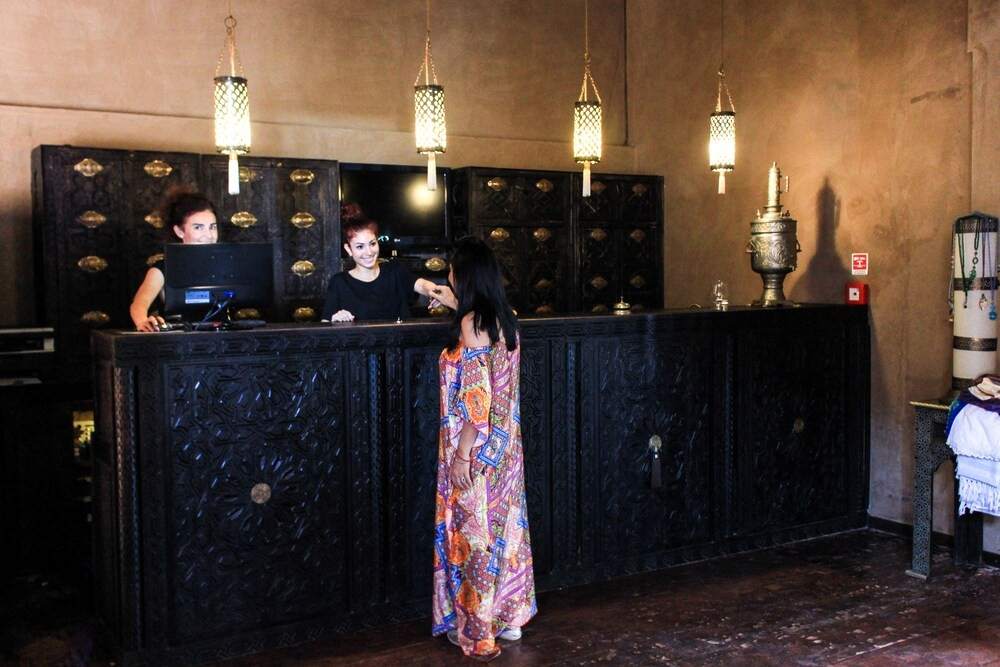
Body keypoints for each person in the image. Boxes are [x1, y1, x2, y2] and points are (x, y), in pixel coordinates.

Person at [429, 236, 536, 662]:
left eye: (452, 270)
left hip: (474, 450)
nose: (448, 275)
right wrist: (447, 300)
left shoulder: (472, 324)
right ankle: (508, 619)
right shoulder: (504, 318)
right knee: (504, 533)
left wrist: (461, 456)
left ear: (465, 275)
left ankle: (477, 628)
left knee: (474, 538)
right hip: (505, 450)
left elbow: (477, 403)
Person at [322, 203, 446, 321]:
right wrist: (336, 320)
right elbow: (325, 324)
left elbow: (422, 285)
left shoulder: (395, 270)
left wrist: (434, 292)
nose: (369, 252)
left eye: (372, 244)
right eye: (360, 247)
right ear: (348, 249)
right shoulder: (339, 282)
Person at [129, 186, 218, 331]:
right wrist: (142, 322)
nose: (209, 235)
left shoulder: (224, 264)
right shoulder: (163, 268)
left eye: (212, 227)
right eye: (198, 227)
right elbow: (139, 303)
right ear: (179, 231)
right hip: (178, 340)